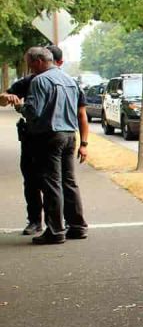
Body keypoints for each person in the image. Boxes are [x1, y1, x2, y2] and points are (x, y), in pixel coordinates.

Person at [0, 45, 89, 236]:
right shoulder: (70, 81)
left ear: (39, 61)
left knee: (51, 183)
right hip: (69, 135)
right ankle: (77, 226)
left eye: (30, 65)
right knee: (69, 181)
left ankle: (55, 230)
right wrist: (83, 143)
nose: (30, 69)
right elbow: (79, 112)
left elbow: (33, 112)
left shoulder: (40, 81)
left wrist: (20, 107)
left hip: (48, 136)